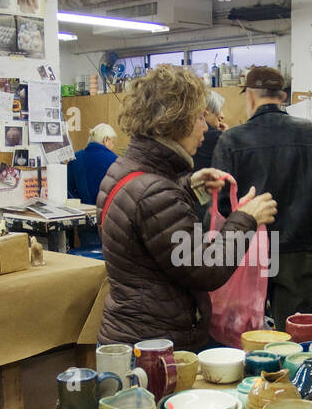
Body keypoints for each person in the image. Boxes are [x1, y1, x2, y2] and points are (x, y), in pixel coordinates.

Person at [97, 65, 276, 349]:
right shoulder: (155, 192)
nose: (206, 126)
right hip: (155, 346)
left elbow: (146, 223)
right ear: (175, 121)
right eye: (198, 117)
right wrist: (245, 219)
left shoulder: (124, 169)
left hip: (133, 333)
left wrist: (188, 188)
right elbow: (205, 269)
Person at [211, 66, 312, 326]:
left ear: (249, 96)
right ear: (282, 96)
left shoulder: (232, 140)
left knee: (246, 330)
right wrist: (309, 202)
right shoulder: (310, 133)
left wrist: (246, 221)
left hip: (248, 250)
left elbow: (223, 201)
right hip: (297, 249)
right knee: (294, 332)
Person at [67, 122, 118, 205]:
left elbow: (68, 190)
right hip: (105, 213)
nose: (113, 146)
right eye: (112, 142)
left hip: (81, 213)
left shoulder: (75, 158)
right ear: (106, 140)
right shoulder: (115, 160)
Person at [191, 90, 226, 172]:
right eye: (220, 109)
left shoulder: (190, 133)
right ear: (206, 111)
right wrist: (226, 136)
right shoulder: (215, 137)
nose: (222, 116)